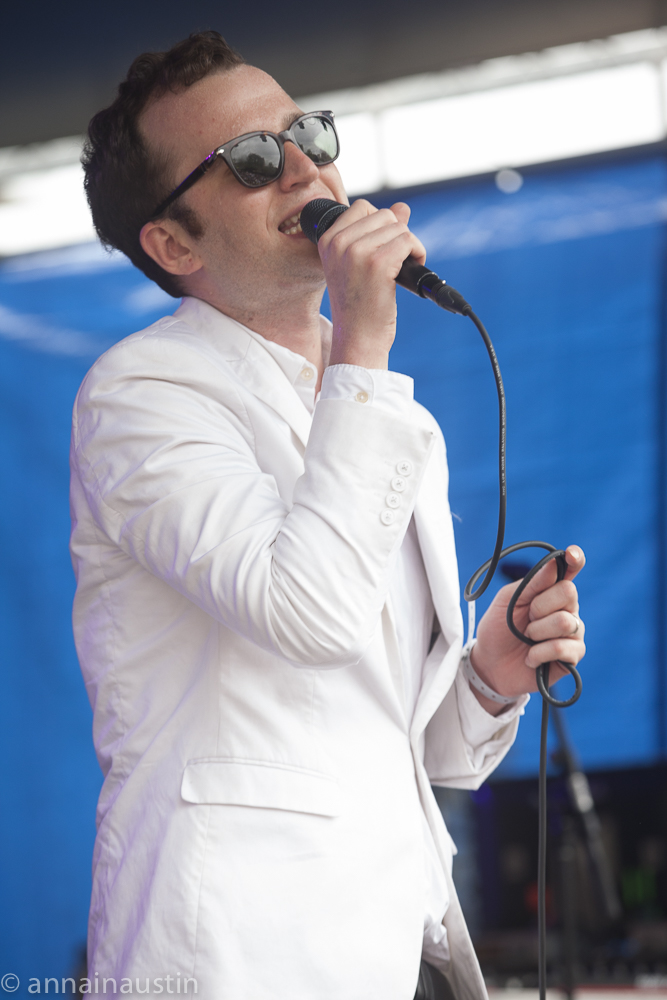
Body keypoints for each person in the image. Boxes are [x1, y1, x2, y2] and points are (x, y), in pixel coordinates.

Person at [72, 30, 586, 1000]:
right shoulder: (140, 392)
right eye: (254, 159)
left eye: (305, 131)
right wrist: (363, 342)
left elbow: (394, 743)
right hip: (243, 954)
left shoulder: (387, 412)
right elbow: (308, 614)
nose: (305, 164)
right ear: (174, 242)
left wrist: (487, 676)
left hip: (401, 938)